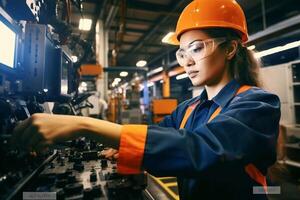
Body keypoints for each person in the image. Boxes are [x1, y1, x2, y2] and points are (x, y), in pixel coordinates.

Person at [13, 0, 280, 199]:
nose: (187, 61)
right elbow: (154, 138)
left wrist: (84, 124)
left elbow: (199, 148)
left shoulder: (259, 105)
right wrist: (115, 142)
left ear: (231, 48)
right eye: (181, 52)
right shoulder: (187, 110)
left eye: (197, 48)